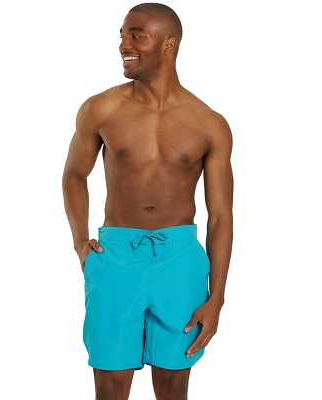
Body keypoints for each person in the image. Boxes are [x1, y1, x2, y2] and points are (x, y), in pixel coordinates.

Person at [62, 3, 233, 399]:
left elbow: (221, 216)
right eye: (122, 35)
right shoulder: (100, 109)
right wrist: (79, 240)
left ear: (168, 45)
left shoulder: (209, 123)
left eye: (136, 35)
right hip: (115, 253)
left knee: (174, 382)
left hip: (181, 259)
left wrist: (217, 297)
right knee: (110, 382)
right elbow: (74, 175)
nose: (124, 44)